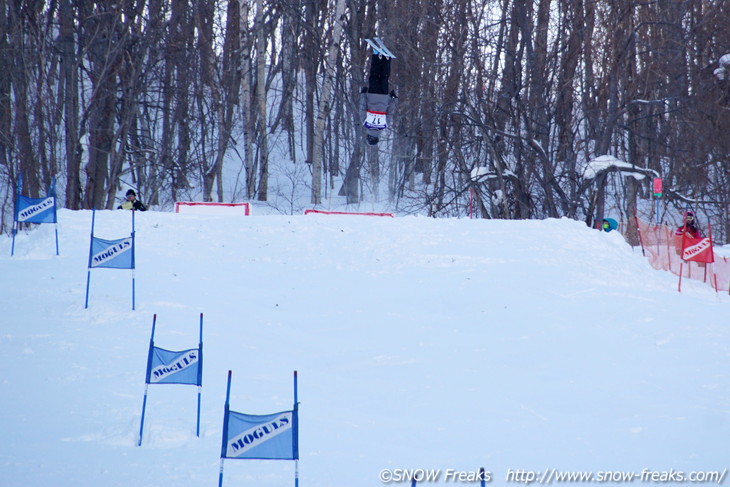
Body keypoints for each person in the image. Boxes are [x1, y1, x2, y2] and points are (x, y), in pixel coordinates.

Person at [359, 50, 397, 146]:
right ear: (369, 137)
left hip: (384, 96)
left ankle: (387, 59)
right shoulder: (366, 123)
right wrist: (363, 94)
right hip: (372, 94)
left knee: (384, 77)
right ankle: (376, 56)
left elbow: (390, 111)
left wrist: (393, 98)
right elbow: (362, 107)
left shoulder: (384, 125)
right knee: (374, 75)